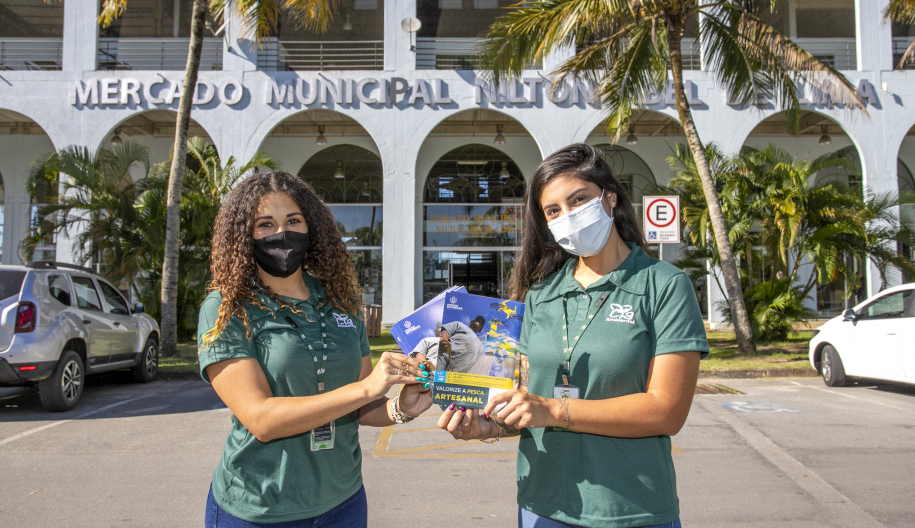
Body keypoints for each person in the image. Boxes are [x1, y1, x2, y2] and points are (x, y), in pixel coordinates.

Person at [438, 143, 709, 528]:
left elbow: (667, 411)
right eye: (553, 210)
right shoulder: (540, 294)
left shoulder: (664, 285)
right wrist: (488, 426)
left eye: (578, 199)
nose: (568, 216)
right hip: (545, 506)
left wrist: (554, 410)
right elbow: (525, 399)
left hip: (633, 510)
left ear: (610, 198)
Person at [197, 171, 432, 527]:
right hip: (260, 509)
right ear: (243, 236)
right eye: (265, 224)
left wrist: (401, 408)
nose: (282, 233)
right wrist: (366, 388)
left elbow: (362, 405)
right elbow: (260, 419)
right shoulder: (227, 308)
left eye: (293, 220)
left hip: (344, 502)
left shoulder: (340, 301)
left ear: (312, 227)